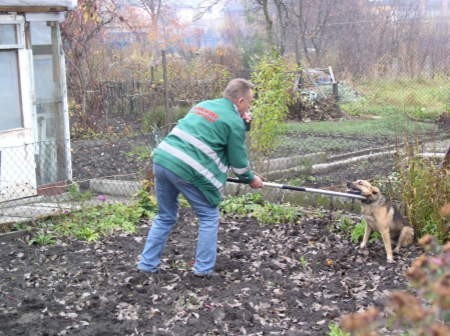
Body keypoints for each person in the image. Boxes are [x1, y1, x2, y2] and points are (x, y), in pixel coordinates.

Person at [137, 78, 264, 277]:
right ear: (240, 101)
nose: (250, 106)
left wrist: (244, 124)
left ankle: (147, 264)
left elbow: (213, 131)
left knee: (165, 216)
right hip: (186, 169)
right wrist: (251, 179)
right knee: (208, 216)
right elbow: (239, 165)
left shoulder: (203, 106)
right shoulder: (233, 122)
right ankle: (203, 270)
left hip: (162, 160)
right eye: (250, 101)